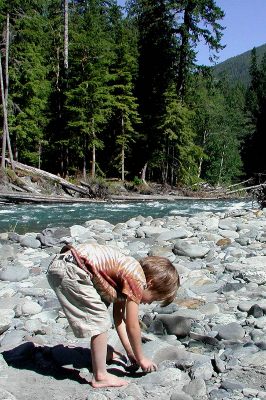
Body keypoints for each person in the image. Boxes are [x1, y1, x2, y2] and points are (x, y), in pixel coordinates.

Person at [47, 243, 180, 388]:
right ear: (150, 283)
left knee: (99, 318)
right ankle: (100, 376)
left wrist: (130, 352)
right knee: (100, 321)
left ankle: (99, 356)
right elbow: (132, 325)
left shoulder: (124, 276)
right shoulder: (137, 279)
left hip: (62, 263)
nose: (149, 303)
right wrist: (141, 358)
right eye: (154, 299)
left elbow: (119, 320)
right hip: (72, 269)